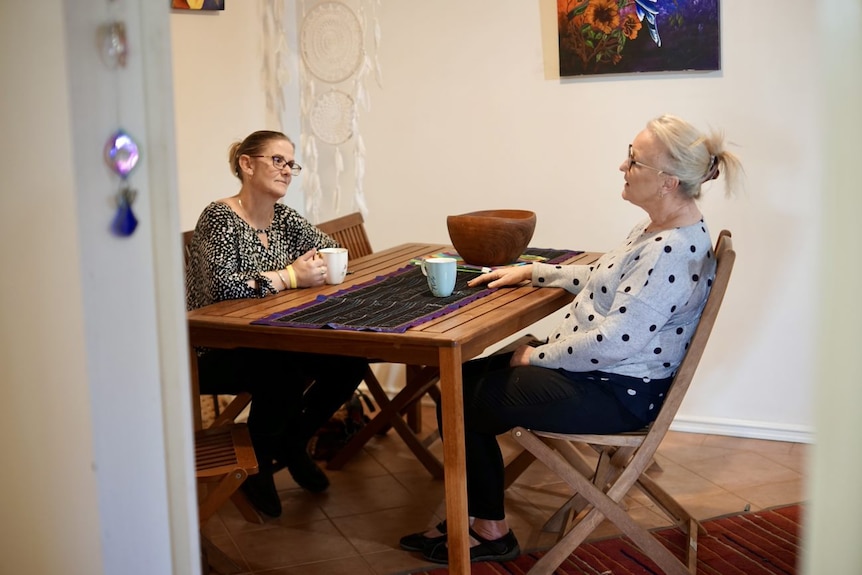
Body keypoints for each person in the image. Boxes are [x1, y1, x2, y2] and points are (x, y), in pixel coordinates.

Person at [399, 114, 743, 563]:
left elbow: (613, 343)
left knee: (463, 398)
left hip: (616, 392)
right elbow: (608, 277)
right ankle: (482, 518)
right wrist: (534, 270)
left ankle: (489, 532)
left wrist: (535, 357)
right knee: (460, 383)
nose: (623, 166)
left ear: (667, 182)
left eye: (634, 161)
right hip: (603, 377)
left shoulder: (670, 251)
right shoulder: (659, 229)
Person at [186, 129, 367, 518]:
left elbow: (328, 251)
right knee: (282, 372)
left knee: (349, 362)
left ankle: (292, 442)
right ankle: (259, 464)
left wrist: (320, 268)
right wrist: (289, 276)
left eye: (291, 163)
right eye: (277, 160)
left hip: (275, 338)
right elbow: (222, 288)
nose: (287, 170)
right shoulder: (219, 218)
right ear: (247, 164)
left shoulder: (284, 217)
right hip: (213, 348)